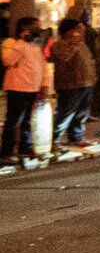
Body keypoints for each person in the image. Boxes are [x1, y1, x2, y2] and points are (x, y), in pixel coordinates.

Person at [2, 17, 46, 161]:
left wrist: (43, 85)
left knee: (27, 120)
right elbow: (8, 60)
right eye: (35, 26)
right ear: (24, 28)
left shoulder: (35, 46)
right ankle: (6, 152)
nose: (37, 29)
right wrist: (21, 42)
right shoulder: (12, 43)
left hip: (32, 88)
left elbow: (42, 67)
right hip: (16, 87)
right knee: (13, 120)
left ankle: (25, 148)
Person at [49, 18, 96, 148]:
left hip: (85, 83)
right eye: (78, 28)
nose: (82, 31)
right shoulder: (59, 45)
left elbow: (89, 63)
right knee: (66, 112)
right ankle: (54, 139)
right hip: (69, 85)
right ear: (69, 31)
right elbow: (65, 56)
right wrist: (73, 42)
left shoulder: (82, 45)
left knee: (82, 113)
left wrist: (92, 78)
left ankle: (76, 137)